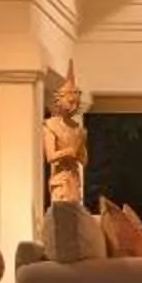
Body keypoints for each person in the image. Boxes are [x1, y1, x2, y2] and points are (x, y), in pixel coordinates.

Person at [42, 72, 89, 207]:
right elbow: (50, 156)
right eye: (70, 102)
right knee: (62, 214)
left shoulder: (77, 129)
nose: (73, 107)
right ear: (59, 100)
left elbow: (84, 160)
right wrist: (69, 151)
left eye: (76, 103)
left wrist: (81, 146)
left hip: (74, 179)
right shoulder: (51, 125)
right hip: (61, 179)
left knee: (73, 217)